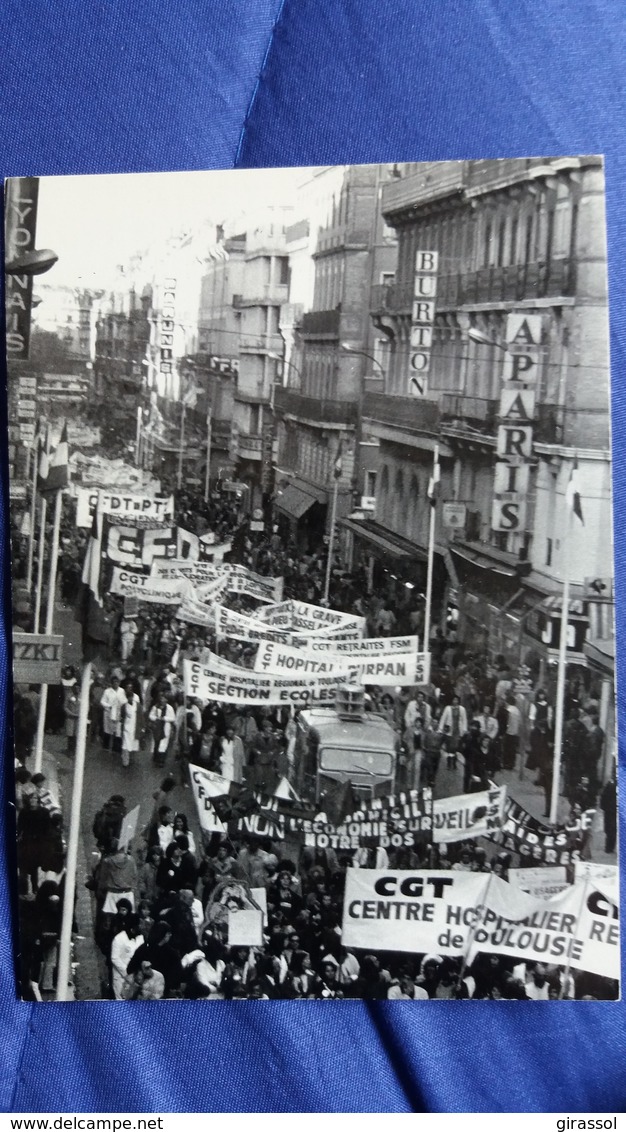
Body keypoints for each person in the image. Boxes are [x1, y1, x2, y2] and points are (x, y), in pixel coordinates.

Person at [110, 914, 144, 999]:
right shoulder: (119, 939)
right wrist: (127, 972)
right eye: (139, 925)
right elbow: (115, 958)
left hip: (136, 978)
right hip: (121, 978)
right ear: (133, 929)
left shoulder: (141, 938)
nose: (141, 927)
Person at [148, 691, 176, 767]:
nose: (162, 700)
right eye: (161, 699)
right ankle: (156, 758)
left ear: (167, 700)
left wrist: (165, 718)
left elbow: (173, 718)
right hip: (157, 728)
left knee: (163, 745)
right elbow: (150, 716)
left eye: (164, 699)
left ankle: (161, 761)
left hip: (165, 728)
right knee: (156, 743)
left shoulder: (169, 708)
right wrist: (156, 718)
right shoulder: (155, 707)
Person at [120, 682, 143, 768]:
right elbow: (122, 716)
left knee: (133, 745)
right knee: (125, 745)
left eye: (131, 697)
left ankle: (131, 759)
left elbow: (141, 717)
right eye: (128, 697)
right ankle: (125, 762)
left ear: (133, 697)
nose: (130, 699)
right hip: (126, 728)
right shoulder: (124, 706)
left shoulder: (138, 706)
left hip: (135, 728)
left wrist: (142, 727)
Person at [100, 677, 126, 753]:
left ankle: (116, 748)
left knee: (118, 730)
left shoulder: (122, 691)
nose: (116, 683)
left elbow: (124, 701)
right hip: (109, 712)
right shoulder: (107, 691)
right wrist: (109, 706)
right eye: (114, 682)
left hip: (118, 712)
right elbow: (102, 701)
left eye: (117, 682)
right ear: (111, 683)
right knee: (108, 729)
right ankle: (106, 746)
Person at [600, 774, 617, 854]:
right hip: (611, 810)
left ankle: (609, 847)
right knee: (611, 828)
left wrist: (603, 807)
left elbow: (603, 796)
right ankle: (610, 847)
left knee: (610, 828)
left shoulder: (611, 783)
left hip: (611, 810)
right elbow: (604, 796)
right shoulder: (611, 783)